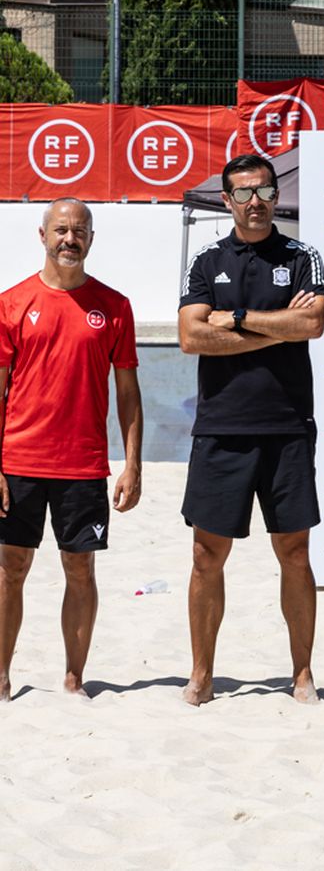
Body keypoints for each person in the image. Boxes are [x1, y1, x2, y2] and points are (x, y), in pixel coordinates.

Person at [177, 156, 324, 705]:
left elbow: (312, 323)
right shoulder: (206, 260)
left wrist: (236, 318)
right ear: (226, 201)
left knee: (294, 553)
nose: (256, 201)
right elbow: (191, 338)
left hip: (287, 426)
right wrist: (277, 328)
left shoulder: (300, 254)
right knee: (205, 556)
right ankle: (201, 674)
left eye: (264, 190)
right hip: (221, 427)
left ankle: (303, 673)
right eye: (243, 194)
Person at [0, 199, 141, 702]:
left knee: (79, 569)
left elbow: (127, 394)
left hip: (83, 467)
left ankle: (74, 678)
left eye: (79, 230)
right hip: (19, 461)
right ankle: (0, 676)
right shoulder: (12, 303)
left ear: (91, 239)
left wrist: (132, 463)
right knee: (11, 568)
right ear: (42, 236)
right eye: (60, 229)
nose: (69, 238)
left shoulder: (115, 306)